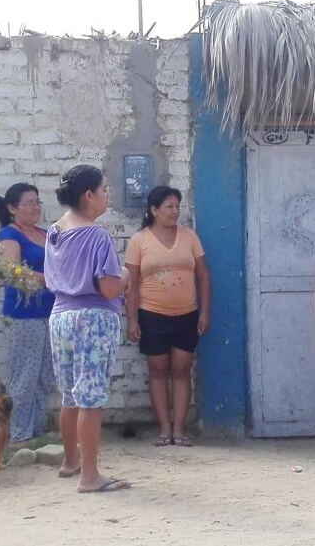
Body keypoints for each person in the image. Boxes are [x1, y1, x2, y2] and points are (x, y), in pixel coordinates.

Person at [45, 164, 131, 493]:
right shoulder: (96, 234)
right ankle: (90, 476)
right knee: (90, 398)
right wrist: (126, 276)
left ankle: (71, 462)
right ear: (89, 195)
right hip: (93, 319)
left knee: (70, 396)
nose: (108, 195)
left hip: (61, 317)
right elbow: (108, 288)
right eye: (105, 189)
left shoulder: (55, 230)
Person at [125, 186, 211, 447]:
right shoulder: (139, 240)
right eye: (169, 207)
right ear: (154, 210)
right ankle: (164, 429)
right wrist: (132, 319)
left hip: (186, 314)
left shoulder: (189, 236)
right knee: (158, 369)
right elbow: (130, 282)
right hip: (151, 314)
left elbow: (203, 276)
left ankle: (180, 430)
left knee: (182, 369)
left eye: (177, 206)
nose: (175, 211)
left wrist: (204, 312)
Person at [0, 183, 56, 444]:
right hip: (23, 315)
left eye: (38, 202)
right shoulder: (9, 234)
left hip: (51, 312)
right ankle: (18, 435)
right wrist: (51, 279)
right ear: (12, 208)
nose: (36, 207)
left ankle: (35, 430)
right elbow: (13, 272)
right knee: (24, 376)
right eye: (29, 203)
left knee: (45, 375)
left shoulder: (46, 233)